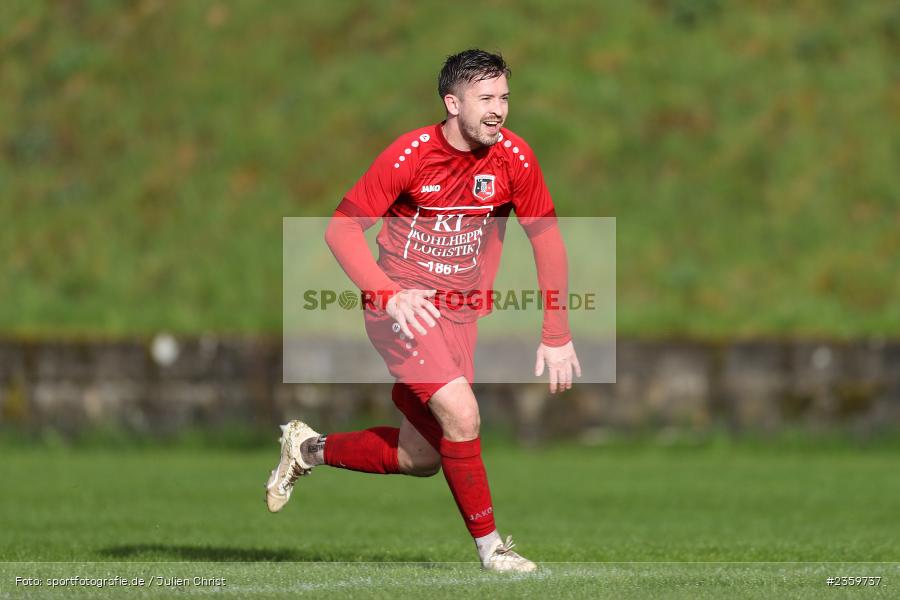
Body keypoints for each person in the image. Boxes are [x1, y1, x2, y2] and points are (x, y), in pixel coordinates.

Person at [266, 49, 580, 573]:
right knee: (463, 414)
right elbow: (341, 230)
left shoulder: (515, 158)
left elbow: (546, 239)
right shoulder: (409, 155)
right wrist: (388, 295)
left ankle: (307, 449)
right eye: (485, 99)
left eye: (504, 97)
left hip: (460, 316)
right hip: (404, 310)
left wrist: (557, 331)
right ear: (453, 103)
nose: (498, 110)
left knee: (422, 457)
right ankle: (493, 551)